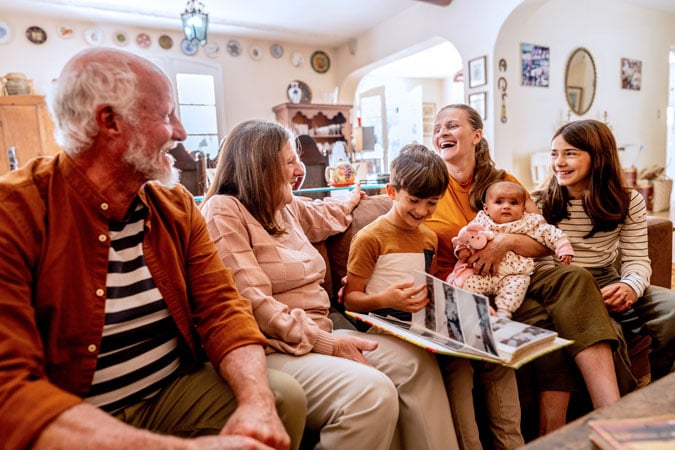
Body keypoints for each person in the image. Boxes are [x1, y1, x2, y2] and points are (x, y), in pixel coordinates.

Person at [0, 47, 307, 450]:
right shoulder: (15, 212)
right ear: (109, 121)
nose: (180, 132)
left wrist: (257, 401)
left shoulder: (176, 207)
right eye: (166, 115)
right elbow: (9, 389)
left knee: (283, 397)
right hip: (74, 407)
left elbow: (222, 309)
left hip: (169, 391)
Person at [200, 120, 459, 450]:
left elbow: (325, 214)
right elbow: (253, 303)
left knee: (416, 365)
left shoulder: (285, 206)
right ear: (260, 165)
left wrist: (353, 198)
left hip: (319, 333)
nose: (300, 168)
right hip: (271, 347)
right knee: (373, 391)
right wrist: (329, 344)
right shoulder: (223, 211)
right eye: (290, 160)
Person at [425, 103, 625, 436]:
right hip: (468, 283)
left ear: (477, 135)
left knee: (575, 277)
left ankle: (612, 411)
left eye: (451, 126)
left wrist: (504, 244)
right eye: (436, 128)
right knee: (548, 321)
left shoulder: (503, 182)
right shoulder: (428, 187)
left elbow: (542, 238)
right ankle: (553, 433)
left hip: (518, 273)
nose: (442, 133)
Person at [343, 144, 525, 450]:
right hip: (383, 325)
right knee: (458, 368)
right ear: (392, 191)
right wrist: (386, 298)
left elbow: (431, 286)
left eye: (431, 203)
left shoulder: (428, 236)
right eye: (413, 201)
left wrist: (475, 310)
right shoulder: (370, 238)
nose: (422, 211)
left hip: (423, 323)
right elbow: (350, 300)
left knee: (493, 356)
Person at [534, 119, 674, 379]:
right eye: (554, 154)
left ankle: (660, 386)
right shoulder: (539, 202)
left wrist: (630, 287)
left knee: (673, 309)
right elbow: (541, 265)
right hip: (566, 284)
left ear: (598, 157)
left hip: (609, 278)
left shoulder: (628, 200)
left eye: (570, 153)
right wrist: (582, 294)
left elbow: (636, 259)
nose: (558, 162)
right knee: (609, 334)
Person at [447, 180, 574, 319]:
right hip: (482, 273)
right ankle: (475, 308)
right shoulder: (481, 221)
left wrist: (563, 248)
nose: (506, 206)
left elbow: (551, 233)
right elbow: (465, 237)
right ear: (486, 208)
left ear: (523, 208)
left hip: (513, 274)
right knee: (467, 284)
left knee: (518, 286)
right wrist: (462, 249)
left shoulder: (529, 222)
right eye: (499, 202)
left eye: (513, 203)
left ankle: (504, 313)